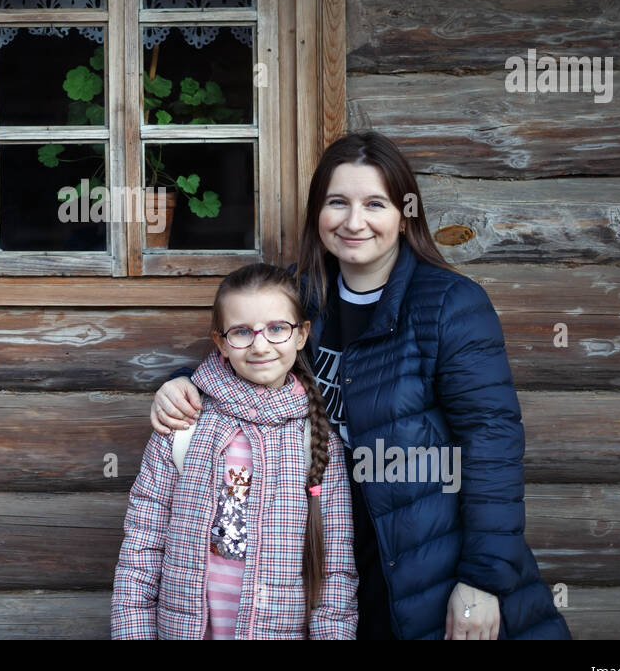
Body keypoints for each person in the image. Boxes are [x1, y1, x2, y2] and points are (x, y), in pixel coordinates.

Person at [147, 131, 571, 640]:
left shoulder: (451, 305)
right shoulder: (298, 295)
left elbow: (492, 446)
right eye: (337, 203)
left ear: (403, 212)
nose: (354, 222)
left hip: (427, 564)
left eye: (374, 203)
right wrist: (179, 385)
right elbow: (236, 361)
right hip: (328, 569)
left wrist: (481, 580)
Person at [111, 263, 357, 639]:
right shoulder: (184, 423)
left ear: (302, 334)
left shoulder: (317, 439)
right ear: (221, 341)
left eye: (277, 328)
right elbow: (142, 544)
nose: (260, 345)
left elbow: (335, 570)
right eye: (242, 331)